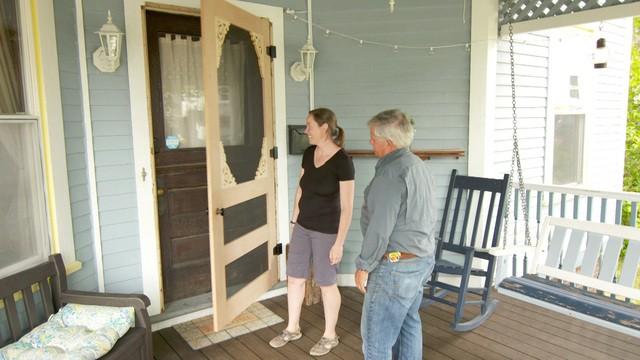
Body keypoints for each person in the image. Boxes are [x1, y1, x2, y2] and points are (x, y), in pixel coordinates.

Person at [270, 108, 355, 357]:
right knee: (295, 278)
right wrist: (293, 223)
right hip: (303, 227)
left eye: (309, 125)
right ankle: (292, 328)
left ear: (324, 128)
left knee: (326, 283)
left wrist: (339, 242)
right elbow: (300, 189)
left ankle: (330, 336)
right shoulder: (309, 154)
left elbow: (347, 207)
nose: (305, 130)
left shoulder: (343, 162)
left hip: (327, 232)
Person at [355, 109, 437, 360]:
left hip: (395, 266)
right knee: (408, 324)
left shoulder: (391, 174)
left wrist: (364, 265)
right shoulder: (416, 165)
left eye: (373, 137)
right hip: (420, 260)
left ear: (388, 142)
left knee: (376, 340)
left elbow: (380, 227)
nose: (370, 141)